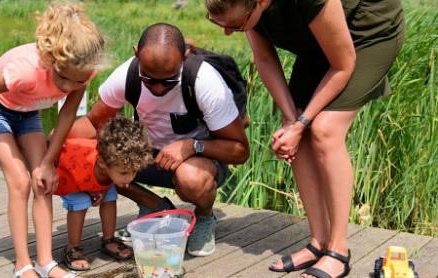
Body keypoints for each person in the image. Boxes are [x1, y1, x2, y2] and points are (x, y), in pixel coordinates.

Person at [205, 0, 404, 277]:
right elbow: (263, 59)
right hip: (318, 38)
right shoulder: (247, 6)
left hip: (367, 35)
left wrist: (302, 123)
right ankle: (318, 242)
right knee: (296, 132)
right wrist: (291, 121)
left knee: (324, 130)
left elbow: (343, 65)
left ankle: (338, 251)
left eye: (236, 26)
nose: (228, 33)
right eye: (217, 23)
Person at [69, 23, 250, 257]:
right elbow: (93, 124)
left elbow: (240, 151)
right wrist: (50, 147)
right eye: (149, 79)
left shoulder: (204, 82)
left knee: (192, 179)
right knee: (98, 160)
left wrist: (191, 146)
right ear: (136, 53)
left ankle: (204, 217)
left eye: (168, 81)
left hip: (199, 162)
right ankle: (154, 205)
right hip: (148, 156)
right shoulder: (127, 76)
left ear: (184, 56)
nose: (157, 88)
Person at [0, 2, 105, 277]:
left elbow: (67, 113)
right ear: (51, 60)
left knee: (43, 180)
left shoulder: (84, 69)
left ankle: (45, 263)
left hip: (27, 111)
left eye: (77, 82)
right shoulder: (24, 69)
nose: (69, 87)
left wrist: (49, 161)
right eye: (63, 79)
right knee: (20, 181)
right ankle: (23, 265)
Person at [54, 116, 152, 271]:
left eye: (134, 172)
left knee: (110, 197)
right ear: (102, 163)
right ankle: (73, 247)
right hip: (69, 175)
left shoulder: (112, 161)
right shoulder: (83, 163)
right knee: (80, 203)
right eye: (125, 172)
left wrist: (102, 190)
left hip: (93, 177)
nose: (130, 178)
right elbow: (69, 177)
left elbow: (108, 179)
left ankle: (108, 239)